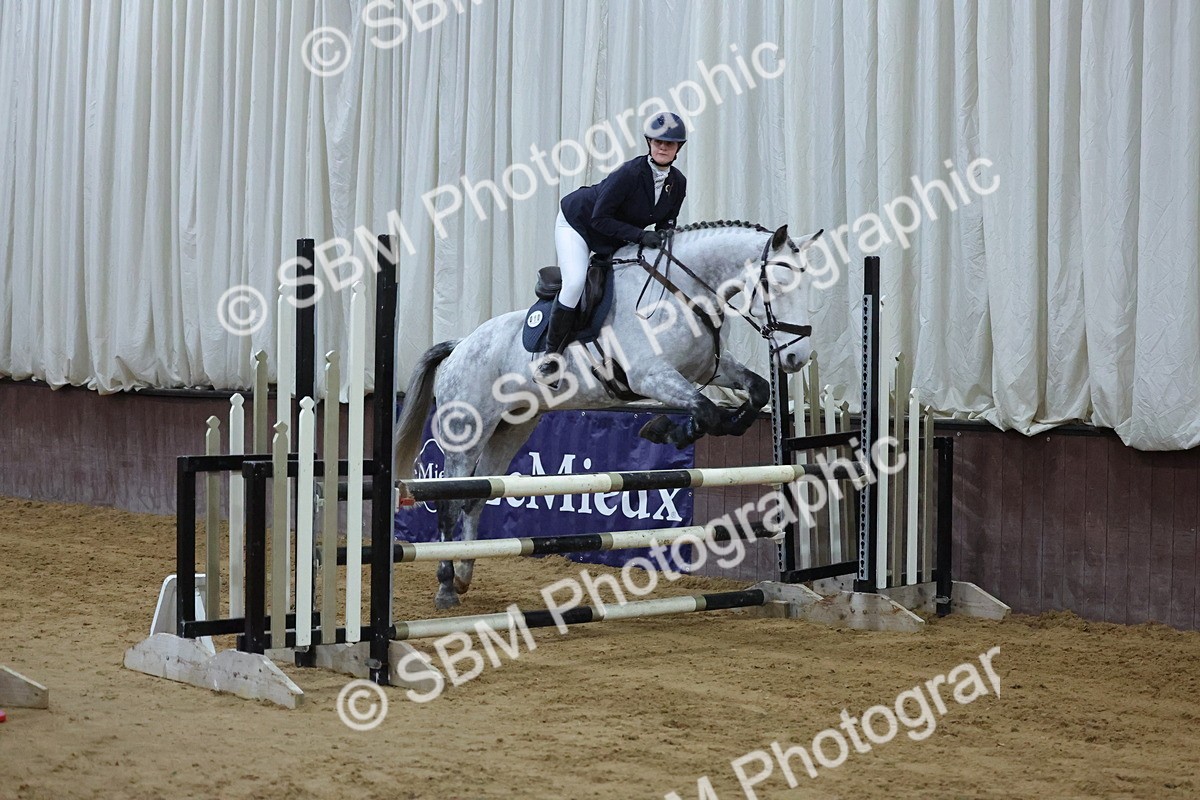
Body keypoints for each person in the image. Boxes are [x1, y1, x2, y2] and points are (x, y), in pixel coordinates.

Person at [536, 111, 689, 385]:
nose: (663, 147)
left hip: (616, 235)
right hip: (579, 224)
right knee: (575, 283)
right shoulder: (630, 173)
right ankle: (550, 360)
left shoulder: (677, 183)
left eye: (670, 143)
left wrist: (665, 237)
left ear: (678, 147)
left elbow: (666, 221)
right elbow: (599, 217)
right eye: (658, 142)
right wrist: (642, 236)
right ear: (649, 143)